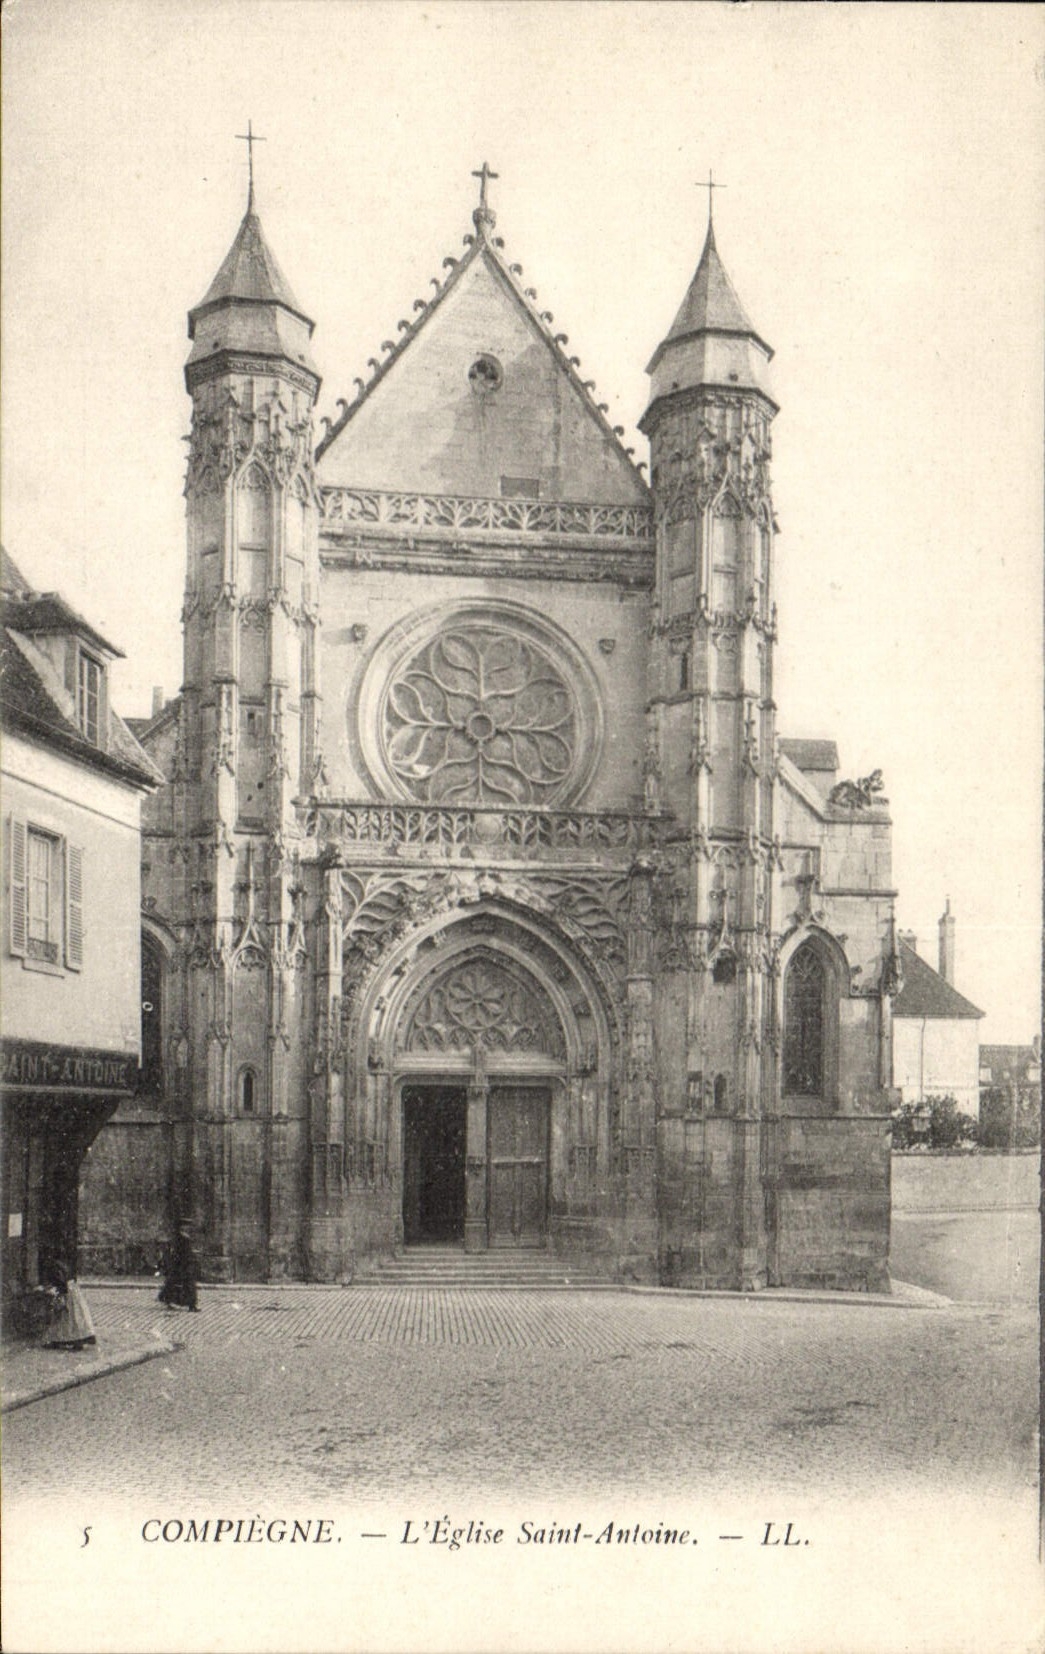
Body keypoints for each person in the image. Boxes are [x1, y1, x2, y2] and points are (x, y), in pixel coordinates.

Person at [41, 1257, 97, 1350]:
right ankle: (75, 1340)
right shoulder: (62, 1265)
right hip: (72, 1291)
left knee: (66, 1318)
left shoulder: (54, 1268)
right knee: (75, 1317)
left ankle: (63, 1340)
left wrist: (58, 1293)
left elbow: (61, 1283)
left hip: (67, 1293)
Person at [158, 1223, 200, 1311]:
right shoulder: (184, 1238)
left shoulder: (178, 1237)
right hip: (184, 1265)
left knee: (174, 1283)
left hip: (180, 1265)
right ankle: (191, 1305)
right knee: (188, 1285)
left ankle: (169, 1300)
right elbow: (184, 1252)